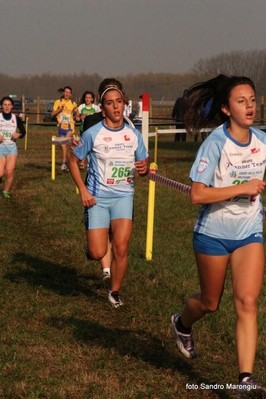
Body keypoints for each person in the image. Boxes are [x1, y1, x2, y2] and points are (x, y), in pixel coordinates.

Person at [171, 74, 266, 396]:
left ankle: (244, 380)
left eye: (252, 99)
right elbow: (197, 195)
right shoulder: (216, 143)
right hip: (212, 233)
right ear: (226, 109)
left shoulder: (262, 141)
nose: (250, 106)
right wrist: (243, 187)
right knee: (210, 303)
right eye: (242, 101)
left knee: (248, 302)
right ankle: (182, 324)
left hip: (249, 231)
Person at [69, 85, 149, 308]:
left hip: (124, 196)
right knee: (98, 252)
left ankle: (115, 291)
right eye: (110, 103)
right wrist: (83, 191)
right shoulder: (93, 134)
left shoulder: (133, 134)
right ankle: (92, 241)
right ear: (102, 109)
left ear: (124, 104)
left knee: (122, 247)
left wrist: (144, 168)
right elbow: (73, 162)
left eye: (119, 102)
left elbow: (145, 163)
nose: (116, 106)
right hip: (97, 198)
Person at [0, 96, 26, 198]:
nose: (7, 107)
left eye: (9, 105)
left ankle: (6, 191)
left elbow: (23, 132)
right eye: (5, 105)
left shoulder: (16, 118)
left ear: (12, 106)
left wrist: (19, 134)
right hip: (0, 147)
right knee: (1, 173)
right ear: (2, 106)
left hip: (12, 148)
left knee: (9, 172)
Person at [51, 86, 78, 172]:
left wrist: (77, 116)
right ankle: (71, 163)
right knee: (65, 146)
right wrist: (60, 109)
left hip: (70, 127)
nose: (67, 94)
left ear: (71, 94)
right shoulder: (58, 102)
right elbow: (52, 114)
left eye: (69, 92)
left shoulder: (73, 103)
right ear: (63, 93)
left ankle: (63, 164)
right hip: (61, 127)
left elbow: (77, 111)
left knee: (64, 145)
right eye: (65, 92)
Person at [75, 91, 99, 170]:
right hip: (83, 129)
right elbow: (77, 117)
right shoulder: (81, 107)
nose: (87, 99)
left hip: (93, 130)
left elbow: (100, 117)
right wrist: (79, 118)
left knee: (92, 146)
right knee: (84, 145)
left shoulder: (95, 108)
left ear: (92, 99)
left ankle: (90, 163)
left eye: (89, 98)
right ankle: (82, 162)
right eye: (86, 97)